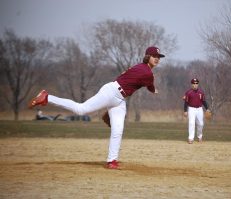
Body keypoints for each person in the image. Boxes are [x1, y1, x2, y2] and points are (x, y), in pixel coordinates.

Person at [28, 46, 165, 169]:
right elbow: (150, 85)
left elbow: (137, 79)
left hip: (119, 100)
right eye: (155, 56)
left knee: (118, 130)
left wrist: (151, 88)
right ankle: (47, 97)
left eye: (159, 57)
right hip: (111, 92)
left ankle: (112, 161)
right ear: (148, 56)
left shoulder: (141, 67)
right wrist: (154, 90)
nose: (157, 59)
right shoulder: (147, 72)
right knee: (81, 109)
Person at [183, 78, 210, 144]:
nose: (195, 85)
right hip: (191, 109)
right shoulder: (188, 92)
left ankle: (199, 136)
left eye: (196, 83)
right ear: (191, 84)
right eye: (194, 83)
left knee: (200, 124)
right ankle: (190, 138)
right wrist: (185, 111)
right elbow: (186, 102)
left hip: (199, 109)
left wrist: (207, 108)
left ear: (198, 84)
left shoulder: (201, 92)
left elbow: (204, 101)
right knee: (191, 123)